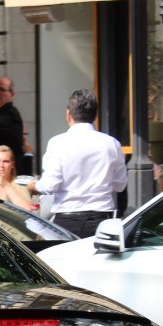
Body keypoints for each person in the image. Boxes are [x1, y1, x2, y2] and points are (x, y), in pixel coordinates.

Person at [31, 88, 128, 238]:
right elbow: (120, 185)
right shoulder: (111, 144)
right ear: (95, 115)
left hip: (67, 220)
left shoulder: (57, 143)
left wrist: (33, 185)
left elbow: (50, 184)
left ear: (68, 115)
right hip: (101, 220)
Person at [0, 145, 35, 210]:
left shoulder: (18, 184)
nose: (1, 165)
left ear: (12, 164)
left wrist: (6, 185)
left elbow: (28, 209)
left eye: (6, 161)